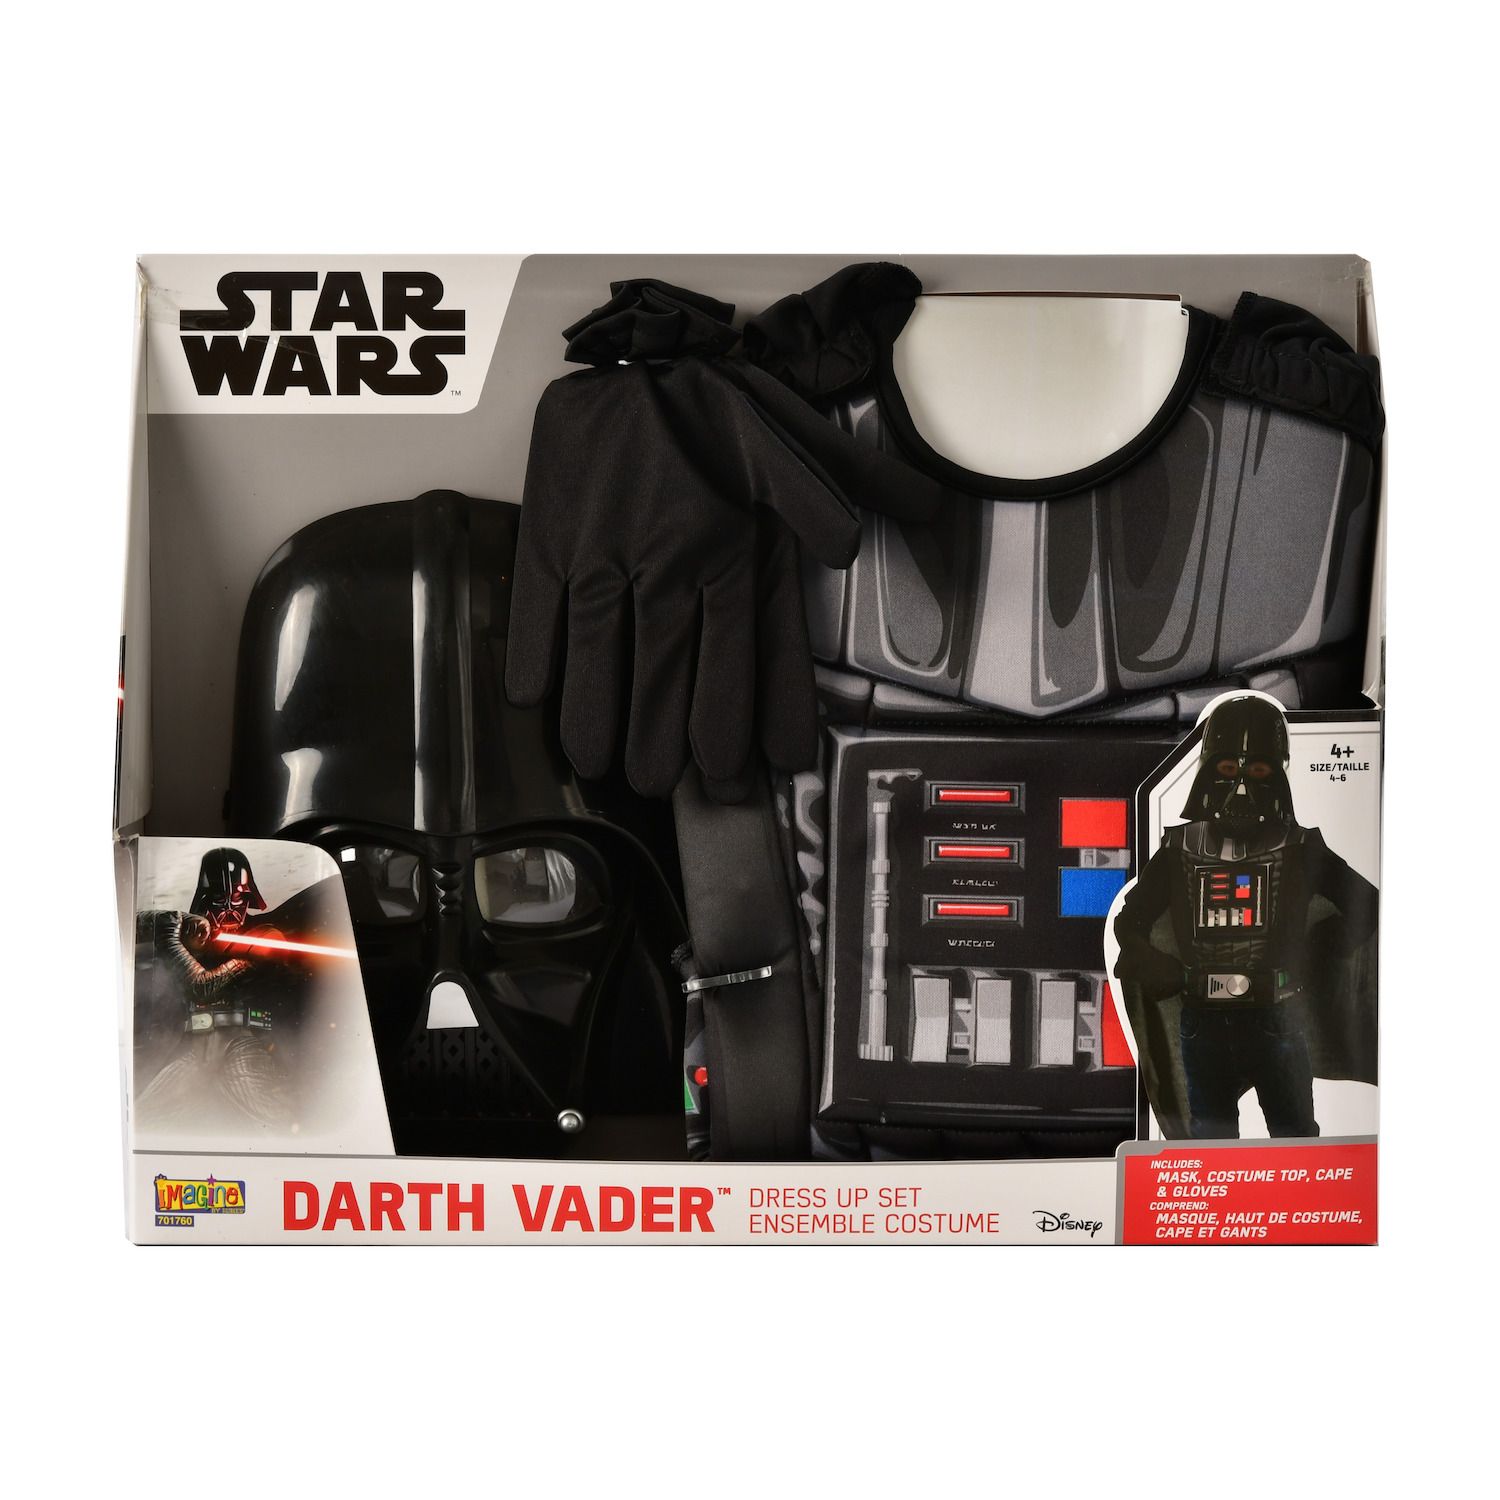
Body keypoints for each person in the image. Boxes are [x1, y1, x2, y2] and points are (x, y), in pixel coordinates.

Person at [1112, 696, 1377, 1139]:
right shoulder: (1179, 848)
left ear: (1275, 775)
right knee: (1210, 1147)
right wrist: (1156, 965)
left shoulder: (1299, 846)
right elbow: (1129, 921)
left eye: (1256, 770)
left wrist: (1319, 946)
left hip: (1277, 1012)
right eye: (1227, 768)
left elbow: (1366, 904)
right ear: (1208, 771)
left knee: (1296, 1142)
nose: (1240, 787)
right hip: (1202, 1018)